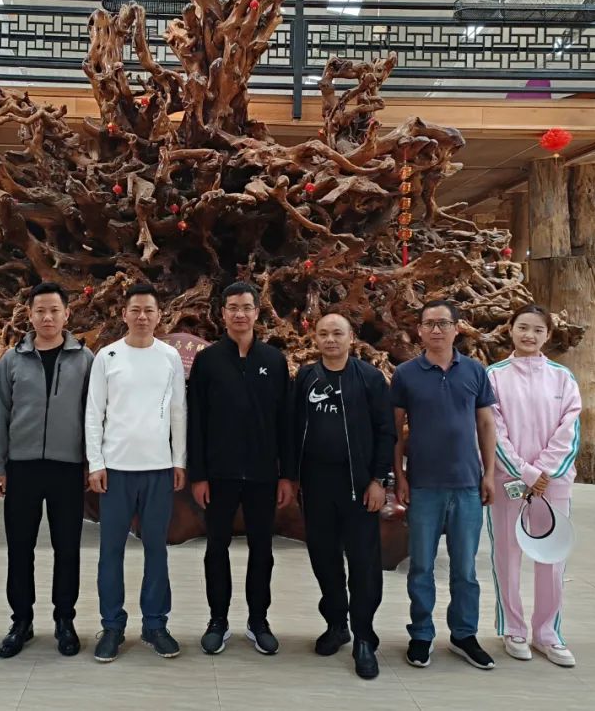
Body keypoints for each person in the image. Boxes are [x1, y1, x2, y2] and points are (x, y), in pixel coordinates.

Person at [0, 281, 94, 659]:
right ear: (29, 315)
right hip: (22, 468)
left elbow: (94, 415)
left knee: (67, 548)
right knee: (20, 548)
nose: (47, 317)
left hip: (68, 469)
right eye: (40, 311)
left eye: (54, 311)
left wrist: (91, 463)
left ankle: (65, 619)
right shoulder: (12, 360)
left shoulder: (85, 359)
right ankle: (21, 621)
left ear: (67, 314)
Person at [188, 281, 294, 657]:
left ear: (256, 312)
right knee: (216, 547)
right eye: (233, 307)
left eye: (246, 307)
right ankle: (217, 620)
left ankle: (258, 621)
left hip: (264, 475)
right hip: (219, 474)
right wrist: (198, 475)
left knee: (262, 549)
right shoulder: (208, 361)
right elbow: (196, 422)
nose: (240, 314)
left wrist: (287, 475)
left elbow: (286, 423)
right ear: (222, 314)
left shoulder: (274, 360)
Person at [286, 312, 395, 680]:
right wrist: (293, 477)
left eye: (337, 333)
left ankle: (364, 636)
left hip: (360, 487)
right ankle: (337, 624)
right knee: (324, 558)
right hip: (317, 485)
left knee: (364, 563)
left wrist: (379, 480)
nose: (330, 339)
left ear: (351, 338)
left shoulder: (369, 378)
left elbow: (386, 431)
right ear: (314, 339)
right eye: (323, 333)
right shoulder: (306, 377)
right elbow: (292, 429)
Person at [392, 300, 498, 670]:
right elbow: (395, 431)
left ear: (457, 328)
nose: (436, 330)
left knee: (464, 568)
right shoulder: (405, 374)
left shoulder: (475, 371)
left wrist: (489, 473)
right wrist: (400, 476)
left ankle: (464, 634)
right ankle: (421, 634)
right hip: (423, 485)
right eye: (429, 324)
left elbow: (486, 424)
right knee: (421, 566)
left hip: (467, 484)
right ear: (419, 330)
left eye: (443, 323)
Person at [85, 282, 187, 662]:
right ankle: (112, 626)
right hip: (116, 470)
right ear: (124, 314)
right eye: (136, 310)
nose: (142, 316)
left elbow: (178, 411)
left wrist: (179, 460)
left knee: (156, 549)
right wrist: (96, 463)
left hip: (158, 469)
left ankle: (155, 625)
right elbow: (94, 413)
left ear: (159, 316)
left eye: (149, 310)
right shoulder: (107, 356)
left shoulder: (169, 357)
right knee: (111, 551)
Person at [486, 304, 581, 668]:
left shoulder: (562, 378)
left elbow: (570, 428)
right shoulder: (494, 376)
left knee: (552, 557)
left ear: (548, 335)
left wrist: (544, 472)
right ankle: (512, 628)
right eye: (523, 327)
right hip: (509, 480)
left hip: (553, 483)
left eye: (538, 330)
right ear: (510, 329)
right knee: (507, 555)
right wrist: (525, 472)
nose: (529, 335)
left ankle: (547, 633)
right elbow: (492, 429)